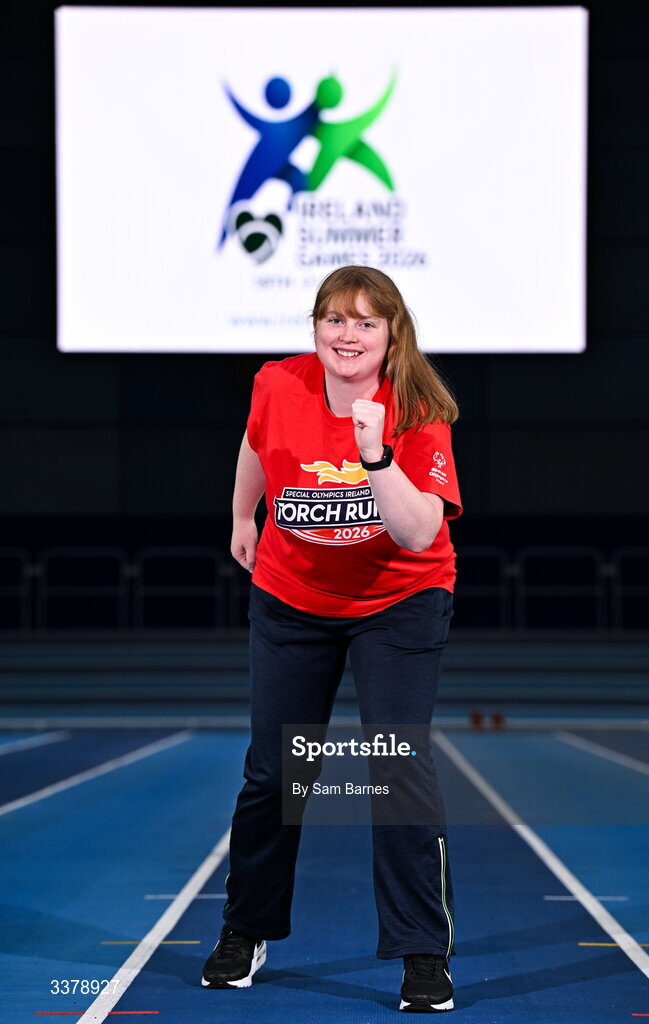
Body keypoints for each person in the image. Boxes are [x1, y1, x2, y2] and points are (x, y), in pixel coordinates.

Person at [202, 266, 462, 1013]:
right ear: (315, 327)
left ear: (392, 334)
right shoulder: (278, 383)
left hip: (399, 599)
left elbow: (418, 532)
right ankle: (245, 929)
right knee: (275, 774)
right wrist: (243, 515)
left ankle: (422, 951)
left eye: (365, 322)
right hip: (293, 598)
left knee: (396, 765)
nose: (348, 336)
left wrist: (376, 455)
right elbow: (257, 444)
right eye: (334, 320)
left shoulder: (419, 408)